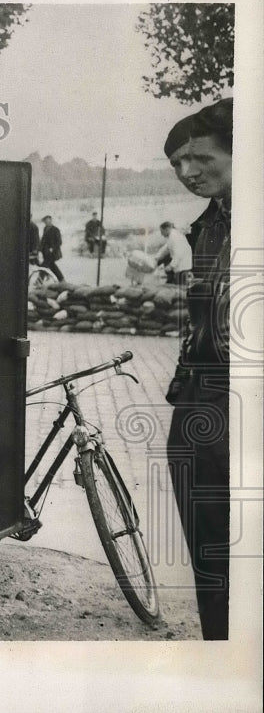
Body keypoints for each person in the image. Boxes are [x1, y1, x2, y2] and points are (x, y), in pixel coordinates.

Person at [162, 97, 232, 640]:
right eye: (176, 163)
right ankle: (222, 649)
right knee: (212, 552)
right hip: (202, 400)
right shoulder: (208, 228)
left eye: (198, 157)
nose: (187, 172)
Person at [155, 220, 193, 285]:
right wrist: (157, 257)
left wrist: (171, 266)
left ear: (166, 229)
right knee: (178, 284)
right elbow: (166, 248)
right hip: (180, 264)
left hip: (183, 265)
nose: (161, 234)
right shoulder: (171, 236)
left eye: (162, 231)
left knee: (181, 287)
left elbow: (178, 254)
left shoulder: (175, 237)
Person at [39, 215, 64, 281]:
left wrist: (52, 248)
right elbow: (43, 240)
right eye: (45, 221)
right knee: (52, 266)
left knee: (43, 266)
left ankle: (39, 281)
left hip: (53, 253)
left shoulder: (55, 230)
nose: (46, 222)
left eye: (47, 220)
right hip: (46, 252)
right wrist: (40, 249)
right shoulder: (45, 229)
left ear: (50, 220)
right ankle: (61, 279)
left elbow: (59, 242)